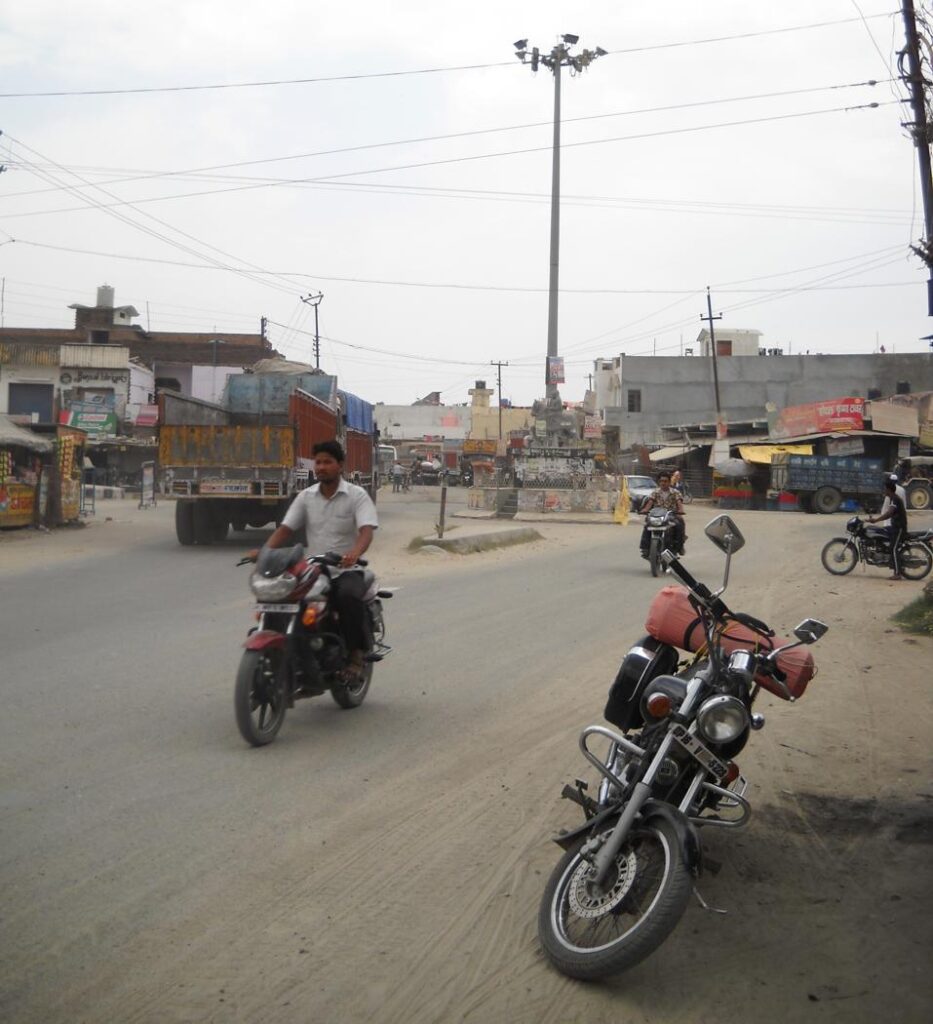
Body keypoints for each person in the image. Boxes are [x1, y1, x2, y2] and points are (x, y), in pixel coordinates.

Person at [249, 440, 378, 678]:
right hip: (314, 568)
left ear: (340, 465)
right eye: (318, 462)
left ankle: (356, 655)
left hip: (345, 570)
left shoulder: (356, 495)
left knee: (347, 597)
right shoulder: (305, 497)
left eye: (327, 462)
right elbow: (286, 529)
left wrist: (355, 553)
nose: (321, 467)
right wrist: (264, 551)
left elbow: (366, 531)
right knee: (283, 595)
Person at [868, 479, 908, 580]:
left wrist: (876, 520)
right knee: (881, 531)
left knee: (893, 548)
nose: (883, 490)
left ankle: (898, 573)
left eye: (885, 489)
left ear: (889, 489)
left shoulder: (895, 499)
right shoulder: (892, 498)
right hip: (894, 526)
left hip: (899, 528)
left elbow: (889, 513)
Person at [640, 470, 686, 557]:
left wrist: (680, 510)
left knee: (680, 522)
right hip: (657, 515)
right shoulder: (655, 492)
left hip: (670, 515)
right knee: (647, 524)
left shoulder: (675, 492)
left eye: (665, 481)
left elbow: (679, 503)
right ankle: (645, 548)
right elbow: (650, 503)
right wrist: (645, 510)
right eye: (661, 481)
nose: (663, 483)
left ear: (669, 482)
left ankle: (679, 546)